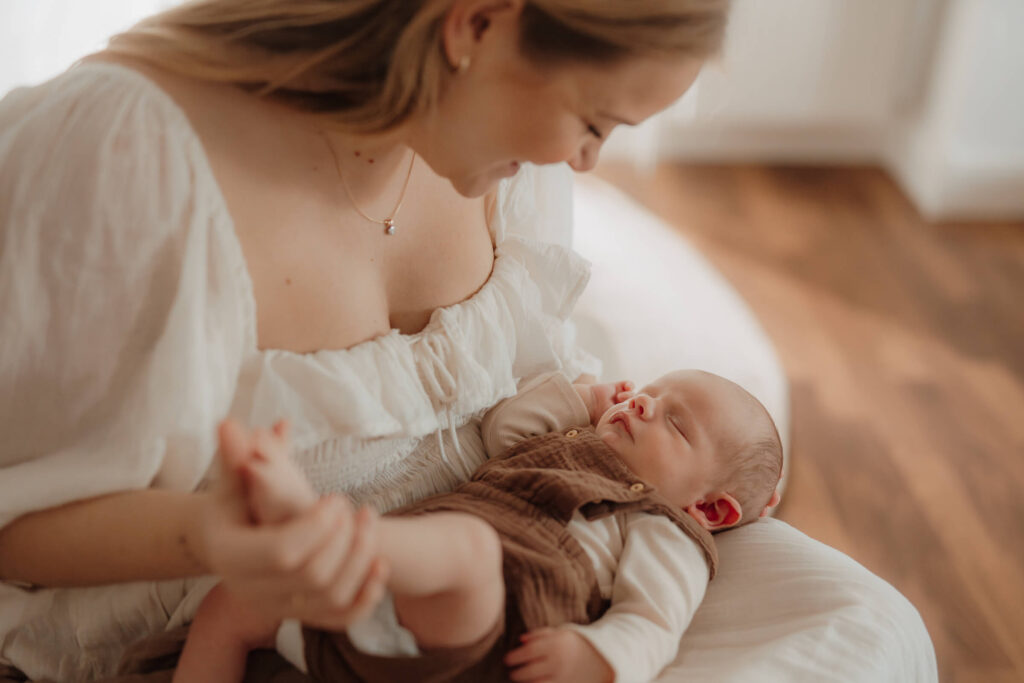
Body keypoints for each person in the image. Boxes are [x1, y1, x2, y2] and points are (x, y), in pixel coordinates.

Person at [0, 0, 731, 680]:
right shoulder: (123, 159)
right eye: (596, 123)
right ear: (476, 25)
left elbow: (539, 397)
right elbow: (13, 524)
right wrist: (212, 533)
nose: (584, 162)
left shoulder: (510, 171)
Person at [173, 369, 783, 683]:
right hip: (392, 612)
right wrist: (584, 400)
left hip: (493, 624)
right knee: (230, 606)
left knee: (469, 547)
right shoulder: (565, 442)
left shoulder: (665, 524)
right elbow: (504, 431)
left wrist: (599, 658)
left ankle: (315, 529)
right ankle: (328, 547)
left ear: (708, 509)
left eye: (675, 424)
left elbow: (656, 618)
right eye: (649, 392)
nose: (643, 404)